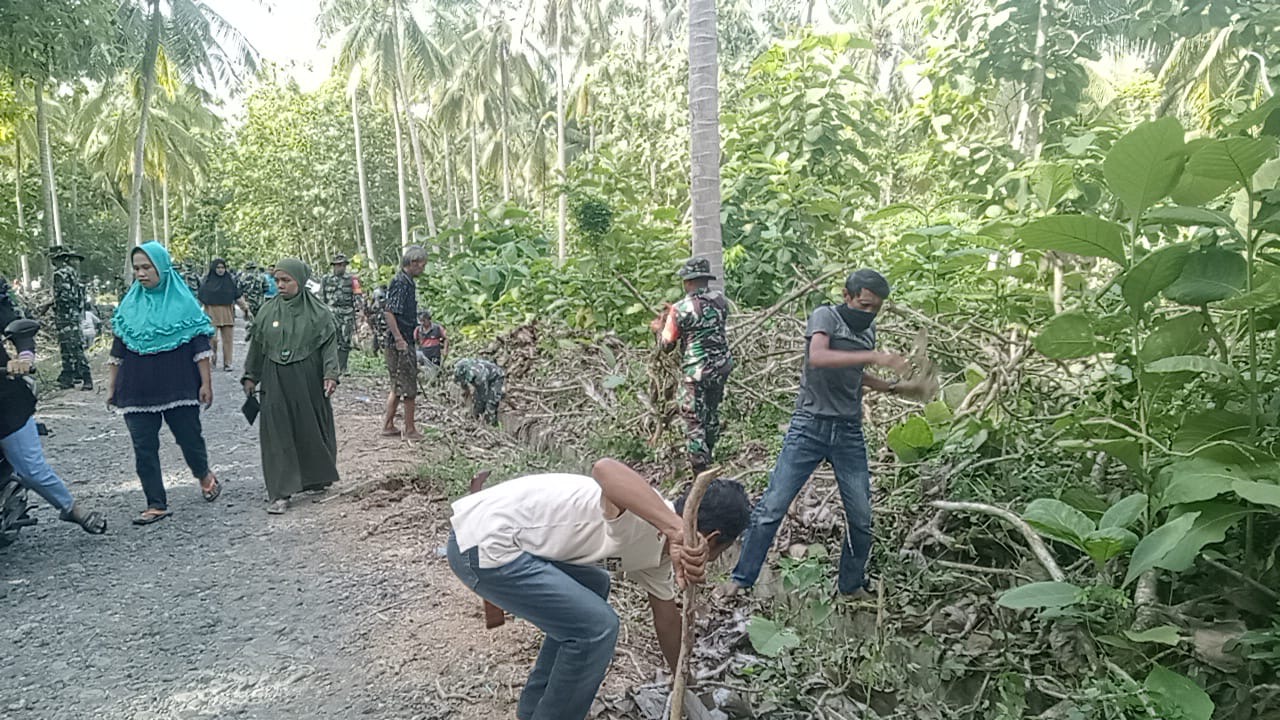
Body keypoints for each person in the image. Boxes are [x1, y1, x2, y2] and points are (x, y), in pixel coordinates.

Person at [447, 458, 751, 720]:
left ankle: (534, 710)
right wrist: (675, 528)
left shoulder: (658, 556)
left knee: (594, 584)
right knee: (597, 628)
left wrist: (684, 680)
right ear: (712, 540)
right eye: (721, 552)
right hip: (479, 545)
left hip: (492, 537)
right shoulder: (646, 513)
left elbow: (667, 619)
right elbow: (604, 469)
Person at [722, 269, 912, 599]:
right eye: (863, 305)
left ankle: (850, 586)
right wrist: (876, 357)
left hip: (848, 431)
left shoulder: (868, 332)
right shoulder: (826, 316)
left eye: (875, 308)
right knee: (772, 508)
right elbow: (819, 356)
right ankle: (741, 579)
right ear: (847, 296)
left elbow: (855, 372)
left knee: (861, 517)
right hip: (809, 426)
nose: (868, 313)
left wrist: (894, 387)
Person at [108, 242, 223, 525]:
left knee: (189, 438)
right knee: (144, 448)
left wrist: (206, 384)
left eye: (147, 267)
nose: (141, 274)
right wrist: (111, 388)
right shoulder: (129, 306)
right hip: (136, 388)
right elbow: (117, 351)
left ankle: (204, 474)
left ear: (162, 268)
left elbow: (200, 348)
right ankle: (155, 503)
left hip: (178, 386)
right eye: (137, 268)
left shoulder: (183, 304)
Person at [0, 275, 106, 535]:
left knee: (31, 469)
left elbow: (19, 329)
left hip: (4, 399)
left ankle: (71, 507)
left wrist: (23, 357)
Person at [242, 259, 341, 515]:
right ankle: (281, 491)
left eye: (286, 280)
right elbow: (257, 346)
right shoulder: (266, 311)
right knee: (277, 430)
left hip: (307, 378)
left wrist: (330, 374)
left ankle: (315, 477)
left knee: (310, 427)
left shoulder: (318, 313)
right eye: (277, 280)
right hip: (274, 378)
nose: (281, 285)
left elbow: (329, 346)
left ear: (300, 280)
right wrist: (250, 376)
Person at [651, 257, 733, 474]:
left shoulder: (680, 309)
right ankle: (711, 453)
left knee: (692, 416)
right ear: (705, 280)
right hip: (721, 366)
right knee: (711, 412)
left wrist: (659, 328)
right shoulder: (721, 301)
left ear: (687, 283)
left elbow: (666, 345)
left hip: (696, 370)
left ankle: (700, 466)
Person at [381, 245, 428, 440]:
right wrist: (399, 339)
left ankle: (389, 424)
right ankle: (409, 429)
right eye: (422, 265)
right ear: (414, 263)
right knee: (408, 388)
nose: (423, 269)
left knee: (398, 385)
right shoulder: (401, 283)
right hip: (399, 342)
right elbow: (389, 311)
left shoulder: (407, 282)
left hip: (404, 338)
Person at [49, 247, 94, 390]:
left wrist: (55, 305)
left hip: (65, 315)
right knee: (69, 346)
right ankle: (68, 377)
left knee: (72, 346)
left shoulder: (59, 274)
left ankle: (86, 377)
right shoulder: (73, 273)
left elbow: (63, 296)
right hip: (73, 314)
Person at [197, 257, 245, 372]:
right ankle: (212, 361)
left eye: (222, 267)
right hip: (211, 314)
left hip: (227, 313)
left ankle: (228, 363)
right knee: (212, 340)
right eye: (218, 267)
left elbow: (237, 296)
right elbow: (201, 298)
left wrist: (245, 308)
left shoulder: (229, 281)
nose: (220, 270)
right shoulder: (207, 282)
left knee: (228, 340)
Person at [319, 252, 362, 374]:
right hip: (331, 312)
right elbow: (322, 297)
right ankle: (331, 366)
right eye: (338, 265)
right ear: (333, 266)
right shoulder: (326, 279)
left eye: (343, 265)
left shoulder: (352, 280)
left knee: (345, 340)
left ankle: (343, 367)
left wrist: (359, 311)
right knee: (332, 340)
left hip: (347, 313)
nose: (341, 267)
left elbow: (358, 296)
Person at [453, 357, 505, 426]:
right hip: (485, 374)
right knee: (476, 398)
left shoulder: (479, 377)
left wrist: (477, 411)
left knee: (490, 402)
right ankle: (476, 417)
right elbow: (461, 382)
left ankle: (490, 424)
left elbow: (483, 396)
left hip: (496, 376)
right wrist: (466, 392)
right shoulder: (460, 366)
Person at [237, 260, 269, 337]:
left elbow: (238, 290)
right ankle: (257, 331)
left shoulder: (242, 277)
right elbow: (266, 288)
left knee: (249, 317)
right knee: (259, 317)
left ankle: (250, 329)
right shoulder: (262, 276)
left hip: (247, 301)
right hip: (259, 301)